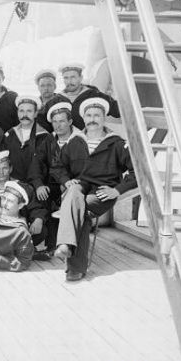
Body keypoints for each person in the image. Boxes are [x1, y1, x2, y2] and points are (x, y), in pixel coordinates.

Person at [51, 98, 137, 281]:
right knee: (76, 198)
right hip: (79, 188)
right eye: (89, 115)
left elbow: (136, 171)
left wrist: (117, 190)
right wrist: (66, 181)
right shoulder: (75, 142)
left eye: (97, 115)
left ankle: (67, 249)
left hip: (102, 193)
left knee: (77, 208)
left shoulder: (117, 144)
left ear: (104, 118)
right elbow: (57, 167)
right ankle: (72, 261)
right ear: (83, 118)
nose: (92, 119)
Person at [0, 151, 50, 260]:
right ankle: (23, 252)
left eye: (5, 168)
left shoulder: (23, 187)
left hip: (19, 230)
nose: (1, 172)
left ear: (10, 169)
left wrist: (38, 219)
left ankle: (10, 252)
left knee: (42, 230)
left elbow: (35, 207)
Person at [29, 102, 82, 253]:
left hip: (75, 186)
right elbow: (36, 163)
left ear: (70, 121)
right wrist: (39, 185)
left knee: (63, 199)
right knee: (41, 194)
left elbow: (84, 172)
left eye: (62, 121)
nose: (58, 126)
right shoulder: (49, 140)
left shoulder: (79, 140)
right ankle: (50, 244)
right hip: (54, 184)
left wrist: (67, 184)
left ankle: (67, 244)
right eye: (55, 122)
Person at [47, 62, 120, 130]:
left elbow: (118, 110)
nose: (69, 81)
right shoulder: (57, 100)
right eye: (66, 78)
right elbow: (43, 122)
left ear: (80, 78)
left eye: (73, 77)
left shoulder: (94, 95)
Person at [3, 95, 49, 183]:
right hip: (13, 183)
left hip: (37, 185)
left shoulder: (44, 137)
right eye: (21, 111)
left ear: (36, 113)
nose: (25, 115)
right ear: (17, 113)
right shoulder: (9, 135)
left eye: (29, 111)